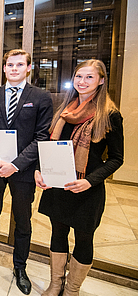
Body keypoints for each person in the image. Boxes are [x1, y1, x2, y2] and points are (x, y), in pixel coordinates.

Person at [36, 59, 123, 296]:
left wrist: (89, 181)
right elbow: (50, 146)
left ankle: (72, 289)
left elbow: (116, 158)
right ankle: (56, 284)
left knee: (84, 240)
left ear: (101, 81)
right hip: (58, 186)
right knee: (57, 233)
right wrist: (40, 170)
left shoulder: (110, 115)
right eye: (79, 77)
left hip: (87, 190)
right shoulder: (65, 110)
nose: (82, 82)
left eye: (89, 77)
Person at [0, 49, 53, 295]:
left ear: (28, 68)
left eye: (20, 64)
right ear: (4, 68)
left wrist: (15, 164)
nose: (15, 68)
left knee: (22, 221)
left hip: (23, 171)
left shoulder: (41, 97)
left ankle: (20, 266)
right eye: (10, 64)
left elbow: (41, 137)